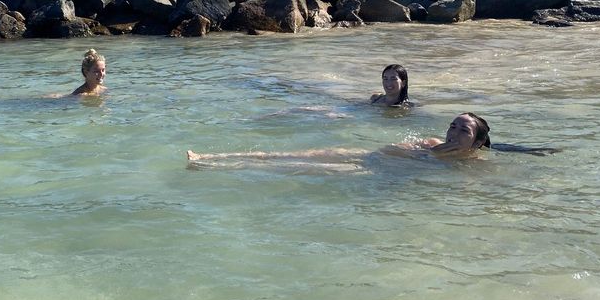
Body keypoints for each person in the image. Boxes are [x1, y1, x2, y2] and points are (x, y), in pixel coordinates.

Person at [186, 113, 496, 168]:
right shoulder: (430, 143)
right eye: (453, 125)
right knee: (286, 155)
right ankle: (212, 158)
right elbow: (388, 151)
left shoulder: (473, 167)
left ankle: (220, 167)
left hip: (369, 174)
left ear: (479, 144)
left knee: (287, 168)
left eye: (463, 131)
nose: (452, 133)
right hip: (365, 157)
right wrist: (434, 155)